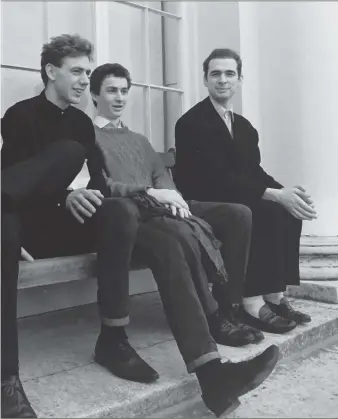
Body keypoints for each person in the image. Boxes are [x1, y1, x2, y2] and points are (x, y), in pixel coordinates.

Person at [88, 62, 279, 417]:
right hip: (130, 217)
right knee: (176, 236)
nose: (119, 98)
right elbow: (101, 186)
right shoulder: (89, 137)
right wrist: (149, 193)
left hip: (163, 208)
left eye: (124, 91)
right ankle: (212, 341)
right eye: (111, 90)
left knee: (238, 213)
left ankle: (225, 310)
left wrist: (170, 196)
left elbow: (163, 176)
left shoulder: (139, 140)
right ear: (95, 93)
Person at [1, 34, 149, 418]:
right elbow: (15, 184)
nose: (85, 80)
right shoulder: (20, 115)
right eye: (77, 71)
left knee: (118, 211)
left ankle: (114, 339)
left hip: (65, 223)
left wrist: (88, 198)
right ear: (51, 72)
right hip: (27, 226)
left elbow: (97, 181)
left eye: (87, 71)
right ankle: (5, 379)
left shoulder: (83, 122)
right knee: (65, 155)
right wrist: (64, 195)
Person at [175, 48, 317, 336]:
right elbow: (214, 177)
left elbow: (254, 172)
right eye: (216, 74)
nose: (223, 80)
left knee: (287, 210)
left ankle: (275, 295)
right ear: (205, 79)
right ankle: (251, 301)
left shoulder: (244, 127)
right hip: (207, 199)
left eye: (230, 74)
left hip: (236, 194)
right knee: (261, 210)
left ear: (239, 79)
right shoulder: (191, 123)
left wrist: (285, 192)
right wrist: (273, 195)